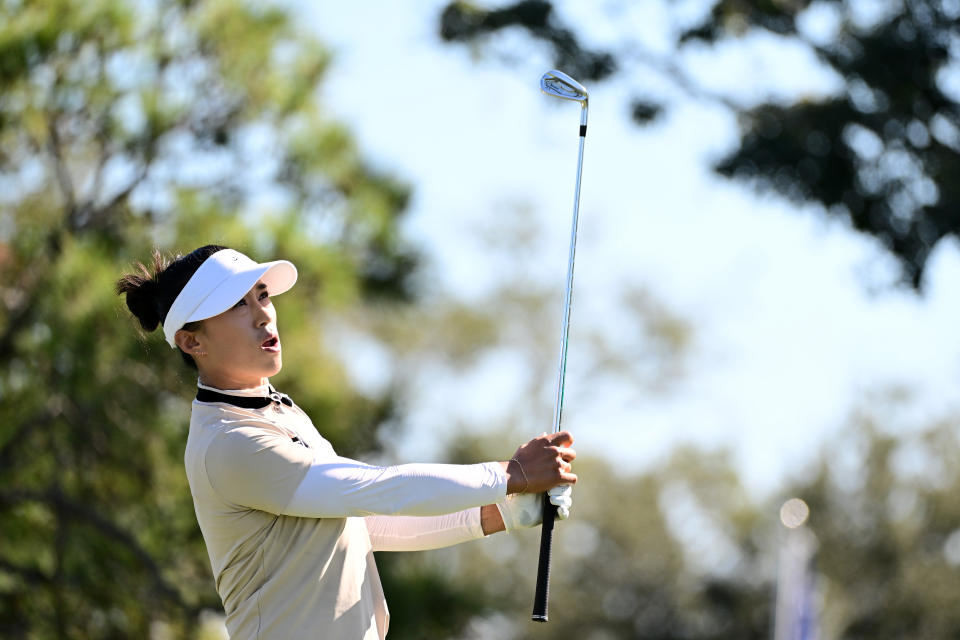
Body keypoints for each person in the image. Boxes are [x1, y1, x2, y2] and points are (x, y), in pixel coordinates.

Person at [116, 245, 577, 639]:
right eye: (238, 304)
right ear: (192, 343)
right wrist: (509, 475)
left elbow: (362, 525)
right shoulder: (229, 442)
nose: (263, 314)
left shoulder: (279, 412)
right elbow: (376, 489)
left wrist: (508, 510)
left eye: (262, 295)